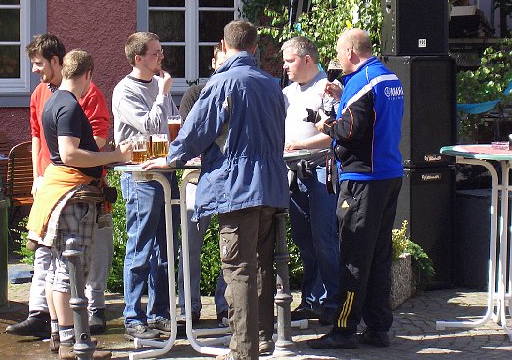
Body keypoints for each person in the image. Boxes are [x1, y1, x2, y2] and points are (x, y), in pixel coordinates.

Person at [143, 20, 290, 360]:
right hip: (270, 185)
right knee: (262, 266)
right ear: (254, 47)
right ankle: (262, 339)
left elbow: (196, 132)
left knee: (238, 270)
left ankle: (243, 350)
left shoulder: (222, 83)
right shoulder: (271, 85)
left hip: (238, 188)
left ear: (223, 46)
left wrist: (171, 158)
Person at [6, 34, 113, 344]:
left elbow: (96, 137)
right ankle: (49, 322)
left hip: (75, 184)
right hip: (61, 184)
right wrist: (37, 175)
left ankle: (86, 314)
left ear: (57, 62)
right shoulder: (46, 95)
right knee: (60, 261)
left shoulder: (86, 95)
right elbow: (40, 138)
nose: (35, 70)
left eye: (39, 64)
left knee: (76, 257)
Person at [26, 49, 132, 359]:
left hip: (57, 190)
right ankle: (76, 345)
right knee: (70, 270)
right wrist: (115, 155)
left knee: (56, 268)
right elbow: (69, 154)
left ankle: (61, 337)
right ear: (87, 75)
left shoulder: (53, 100)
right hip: (73, 195)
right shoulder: (70, 106)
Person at [307, 28, 404, 350]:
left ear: (350, 51)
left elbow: (350, 131)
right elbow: (371, 118)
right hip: (388, 174)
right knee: (378, 255)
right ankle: (378, 326)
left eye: (339, 52)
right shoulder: (389, 77)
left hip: (363, 179)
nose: (338, 58)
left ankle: (344, 328)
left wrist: (325, 125)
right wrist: (342, 98)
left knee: (353, 256)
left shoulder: (362, 82)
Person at [111, 31, 181, 341]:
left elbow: (173, 124)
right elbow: (152, 126)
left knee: (166, 247)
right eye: (156, 53)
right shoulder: (125, 91)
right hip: (141, 176)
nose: (161, 57)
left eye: (161, 52)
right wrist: (163, 95)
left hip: (165, 170)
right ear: (138, 58)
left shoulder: (158, 85)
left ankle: (159, 313)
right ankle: (132, 316)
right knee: (140, 247)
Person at [281, 36, 340, 325]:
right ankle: (312, 300)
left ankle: (334, 301)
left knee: (324, 239)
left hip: (320, 171)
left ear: (307, 60)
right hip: (295, 174)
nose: (285, 66)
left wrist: (300, 146)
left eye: (290, 61)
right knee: (304, 240)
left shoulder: (327, 89)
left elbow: (334, 133)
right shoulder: (286, 93)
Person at [177, 42, 228, 326]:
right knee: (190, 246)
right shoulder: (195, 94)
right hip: (196, 179)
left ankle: (225, 306)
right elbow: (191, 135)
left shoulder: (238, 93)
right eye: (221, 63)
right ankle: (189, 307)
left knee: (230, 245)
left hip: (229, 180)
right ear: (213, 64)